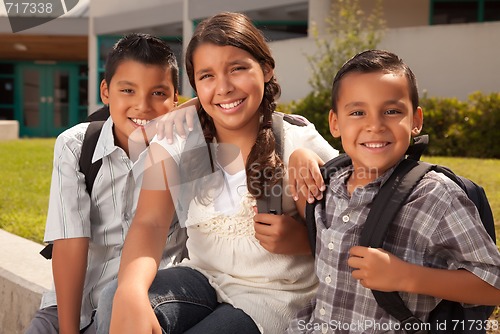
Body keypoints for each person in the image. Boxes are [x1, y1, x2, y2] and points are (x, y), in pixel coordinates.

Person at [100, 12, 338, 334]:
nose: (223, 87)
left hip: (275, 296)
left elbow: (354, 228)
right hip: (203, 279)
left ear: (266, 70)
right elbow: (150, 222)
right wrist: (131, 289)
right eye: (207, 76)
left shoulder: (297, 140)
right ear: (196, 86)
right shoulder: (178, 140)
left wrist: (305, 240)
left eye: (237, 68)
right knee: (117, 296)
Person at [286, 49, 500, 333]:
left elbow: (494, 284)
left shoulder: (435, 196)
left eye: (391, 111)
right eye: (357, 112)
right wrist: (299, 155)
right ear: (335, 123)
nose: (374, 125)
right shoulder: (332, 182)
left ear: (416, 120)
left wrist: (406, 277)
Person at [25, 33, 189, 334]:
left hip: (145, 299)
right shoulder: (76, 146)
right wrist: (69, 330)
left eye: (158, 93)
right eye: (128, 90)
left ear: (175, 98)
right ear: (106, 91)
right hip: (74, 304)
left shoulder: (185, 152)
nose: (142, 106)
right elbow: (70, 242)